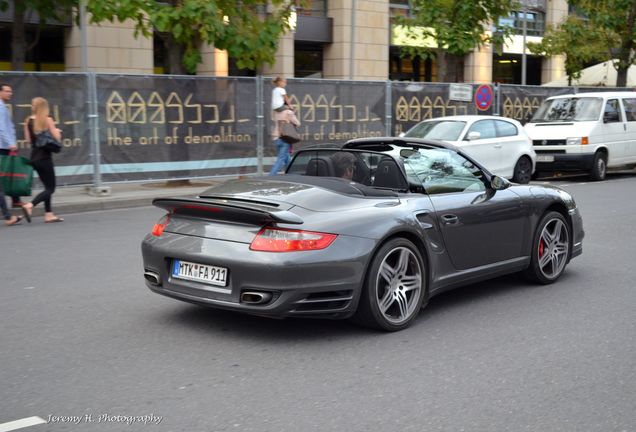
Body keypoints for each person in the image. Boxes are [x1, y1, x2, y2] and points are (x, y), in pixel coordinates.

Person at [21, 97, 63, 223]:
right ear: (45, 107)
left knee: (47, 187)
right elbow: (57, 138)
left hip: (34, 158)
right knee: (51, 188)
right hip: (45, 158)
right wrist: (57, 131)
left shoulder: (28, 121)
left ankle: (49, 214)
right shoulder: (47, 120)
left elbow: (29, 141)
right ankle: (30, 205)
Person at [0, 83, 23, 208]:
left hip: (5, 146)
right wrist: (11, 144)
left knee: (11, 173)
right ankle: (14, 201)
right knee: (6, 174)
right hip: (4, 147)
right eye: (7, 91)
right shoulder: (0, 107)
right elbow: (1, 129)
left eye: (11, 91)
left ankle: (16, 200)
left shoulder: (3, 106)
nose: (10, 93)